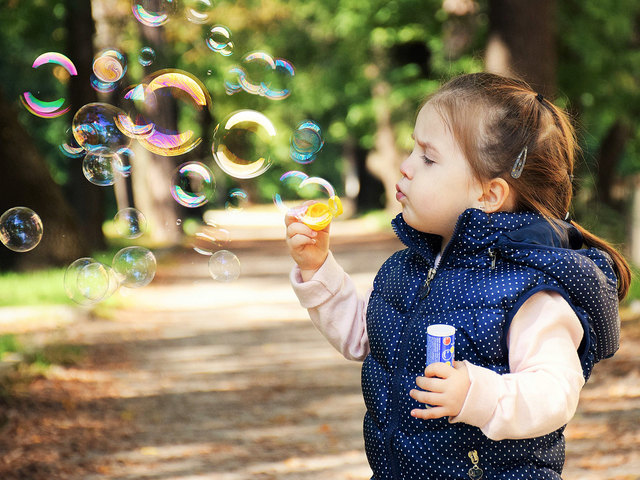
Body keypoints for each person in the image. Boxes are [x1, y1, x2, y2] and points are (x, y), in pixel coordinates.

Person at [285, 72, 630, 480]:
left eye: (428, 158)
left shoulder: (528, 289)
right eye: (413, 150)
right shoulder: (407, 267)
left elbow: (555, 391)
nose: (407, 166)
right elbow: (366, 337)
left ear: (488, 194)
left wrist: (476, 394)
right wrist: (317, 267)